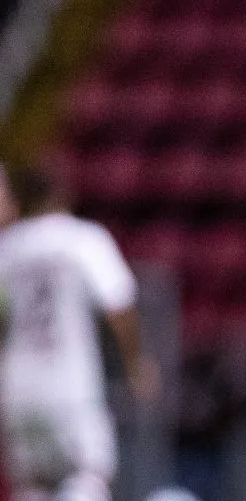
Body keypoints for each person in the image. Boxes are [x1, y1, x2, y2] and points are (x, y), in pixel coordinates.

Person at [0, 164, 157, 501]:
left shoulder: (8, 247)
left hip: (18, 389)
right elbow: (118, 304)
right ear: (62, 194)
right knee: (89, 474)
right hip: (71, 386)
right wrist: (135, 362)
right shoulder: (83, 239)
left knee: (33, 486)